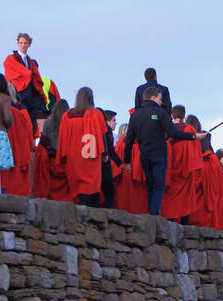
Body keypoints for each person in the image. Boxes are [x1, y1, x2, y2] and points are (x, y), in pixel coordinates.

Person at [123, 86, 188, 215]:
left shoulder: (136, 115)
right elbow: (173, 132)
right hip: (159, 153)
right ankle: (154, 212)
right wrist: (193, 136)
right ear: (153, 97)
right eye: (160, 98)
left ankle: (151, 211)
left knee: (150, 183)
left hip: (145, 154)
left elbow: (129, 139)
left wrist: (126, 161)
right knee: (159, 183)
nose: (161, 101)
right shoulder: (160, 113)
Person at [57, 86, 107, 206]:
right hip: (90, 156)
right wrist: (105, 154)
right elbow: (103, 136)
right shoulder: (95, 114)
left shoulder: (67, 116)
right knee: (91, 186)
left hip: (73, 156)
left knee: (77, 186)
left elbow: (62, 138)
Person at [3, 33, 46, 121]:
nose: (23, 45)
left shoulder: (30, 61)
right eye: (21, 43)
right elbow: (11, 74)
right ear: (18, 43)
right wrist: (27, 73)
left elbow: (34, 77)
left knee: (31, 118)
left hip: (30, 94)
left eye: (25, 43)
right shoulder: (11, 59)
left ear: (29, 44)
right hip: (19, 92)